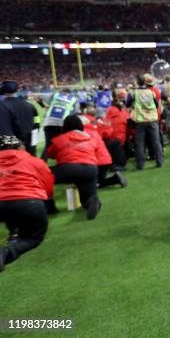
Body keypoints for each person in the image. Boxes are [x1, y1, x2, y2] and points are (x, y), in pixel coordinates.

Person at [0, 135, 53, 272]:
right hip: (29, 202)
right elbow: (48, 183)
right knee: (33, 237)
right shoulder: (34, 161)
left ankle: (11, 240)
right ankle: (6, 252)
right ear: (20, 147)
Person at [46, 115, 104, 220]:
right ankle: (93, 200)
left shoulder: (60, 139)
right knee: (86, 198)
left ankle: (49, 206)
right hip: (90, 169)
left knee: (42, 176)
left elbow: (50, 153)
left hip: (67, 169)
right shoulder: (90, 138)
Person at [126, 74, 164, 170]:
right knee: (156, 141)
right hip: (152, 119)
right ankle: (159, 162)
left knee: (139, 143)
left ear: (137, 82)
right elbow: (156, 104)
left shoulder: (134, 93)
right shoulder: (151, 92)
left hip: (140, 120)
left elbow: (127, 104)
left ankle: (140, 165)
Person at [0, 81, 37, 155]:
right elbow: (36, 125)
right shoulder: (30, 105)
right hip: (29, 145)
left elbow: (4, 131)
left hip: (12, 149)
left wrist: (18, 144)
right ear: (18, 90)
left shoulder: (2, 106)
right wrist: (33, 146)